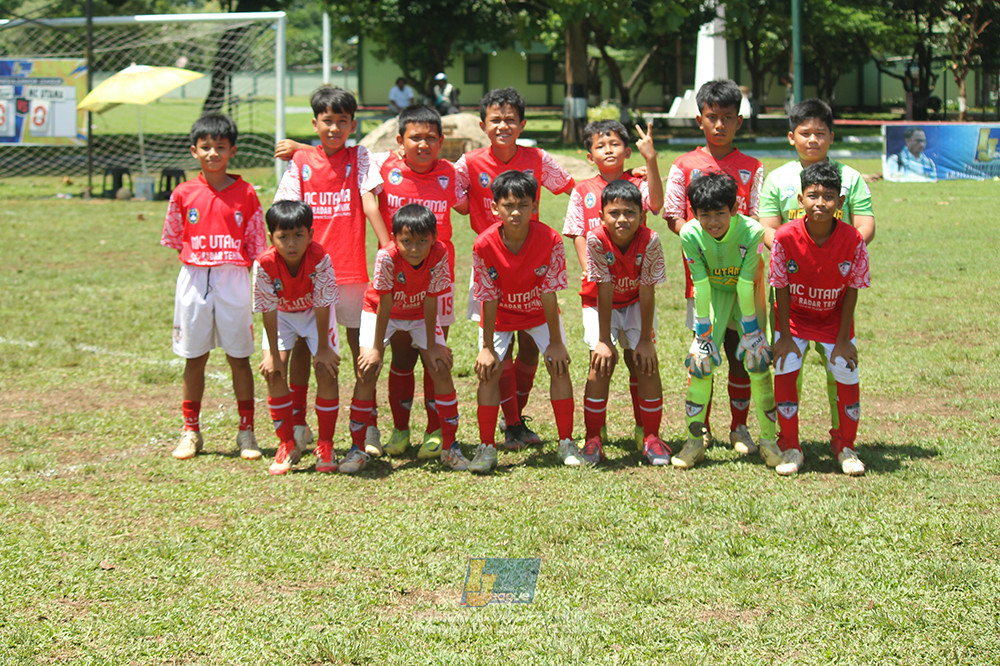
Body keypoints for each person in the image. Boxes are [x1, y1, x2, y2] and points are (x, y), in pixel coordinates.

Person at [454, 87, 575, 450]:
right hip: (491, 262)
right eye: (495, 120)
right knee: (498, 348)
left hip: (533, 261)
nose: (503, 125)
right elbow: (449, 193)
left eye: (510, 119)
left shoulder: (538, 157)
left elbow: (574, 188)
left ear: (522, 124)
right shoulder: (469, 163)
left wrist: (620, 183)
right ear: (482, 125)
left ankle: (516, 419)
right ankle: (511, 422)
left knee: (532, 348)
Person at [272, 86, 390, 460]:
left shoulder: (361, 157)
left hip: (352, 269)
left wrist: (386, 247)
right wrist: (303, 150)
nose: (335, 128)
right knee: (308, 350)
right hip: (309, 273)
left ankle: (367, 423)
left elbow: (370, 202)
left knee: (361, 348)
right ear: (315, 123)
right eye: (327, 121)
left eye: (342, 121)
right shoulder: (302, 163)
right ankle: (299, 426)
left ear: (353, 124)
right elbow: (283, 208)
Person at [759, 98, 875, 456]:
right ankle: (786, 442)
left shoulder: (851, 178)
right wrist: (796, 252)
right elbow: (768, 228)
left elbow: (865, 225)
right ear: (791, 136)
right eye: (805, 133)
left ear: (831, 136)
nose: (813, 140)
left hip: (833, 289)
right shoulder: (778, 178)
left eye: (820, 133)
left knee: (838, 366)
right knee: (786, 364)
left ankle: (842, 441)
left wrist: (836, 251)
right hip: (794, 289)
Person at [662, 79, 766, 456]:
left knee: (741, 351)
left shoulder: (753, 168)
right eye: (711, 118)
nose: (719, 125)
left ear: (739, 121)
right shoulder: (683, 165)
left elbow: (756, 220)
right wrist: (705, 247)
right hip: (702, 281)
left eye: (727, 118)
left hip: (744, 281)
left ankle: (739, 428)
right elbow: (674, 216)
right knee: (703, 352)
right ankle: (700, 428)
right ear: (699, 120)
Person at [160, 113, 266, 462]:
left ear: (232, 150)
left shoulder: (247, 193)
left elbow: (255, 246)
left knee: (239, 358)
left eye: (220, 147)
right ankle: (191, 431)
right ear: (194, 151)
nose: (212, 153)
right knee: (195, 357)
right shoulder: (182, 193)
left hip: (233, 277)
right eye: (205, 147)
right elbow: (177, 240)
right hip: (194, 277)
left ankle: (246, 431)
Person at [369, 104, 468, 460]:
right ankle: (400, 429)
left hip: (436, 280)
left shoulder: (452, 174)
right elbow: (342, 156)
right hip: (395, 278)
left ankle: (434, 429)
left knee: (434, 356)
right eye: (415, 138)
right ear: (400, 140)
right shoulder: (382, 167)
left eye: (430, 138)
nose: (423, 144)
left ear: (442, 141)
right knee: (401, 356)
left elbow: (476, 201)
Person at [563, 119, 662, 451]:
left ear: (627, 149)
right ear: (590, 155)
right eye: (600, 145)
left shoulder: (637, 182)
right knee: (600, 361)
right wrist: (590, 270)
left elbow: (658, 205)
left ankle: (645, 430)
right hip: (599, 288)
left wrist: (650, 160)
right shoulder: (582, 190)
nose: (608, 150)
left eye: (615, 144)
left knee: (641, 360)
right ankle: (595, 432)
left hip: (634, 290)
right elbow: (578, 233)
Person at [470, 170, 576, 473]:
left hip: (538, 313)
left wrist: (556, 342)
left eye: (524, 205)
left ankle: (566, 443)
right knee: (487, 371)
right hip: (501, 314)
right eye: (508, 205)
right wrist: (487, 347)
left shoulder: (551, 239)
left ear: (535, 206)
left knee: (559, 365)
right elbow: (488, 297)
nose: (516, 212)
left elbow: (549, 293)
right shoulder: (483, 244)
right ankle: (486, 448)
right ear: (494, 208)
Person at [769, 162, 871, 476]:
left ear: (841, 202)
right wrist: (784, 336)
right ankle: (790, 447)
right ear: (801, 200)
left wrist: (843, 340)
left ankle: (845, 446)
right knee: (785, 367)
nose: (820, 203)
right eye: (813, 196)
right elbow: (780, 289)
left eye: (828, 196)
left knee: (846, 371)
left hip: (834, 323)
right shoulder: (784, 237)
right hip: (794, 320)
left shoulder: (853, 239)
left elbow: (853, 290)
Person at [350, 203, 469, 472]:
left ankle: (450, 447)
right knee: (367, 369)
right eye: (406, 242)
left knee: (439, 367)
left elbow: (430, 301)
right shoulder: (387, 256)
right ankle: (357, 449)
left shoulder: (439, 254)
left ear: (434, 238)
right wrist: (376, 349)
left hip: (418, 312)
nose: (414, 249)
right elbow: (385, 303)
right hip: (381, 312)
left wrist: (432, 346)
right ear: (394, 239)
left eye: (421, 241)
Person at [673, 172, 778, 470]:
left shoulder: (752, 231)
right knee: (700, 363)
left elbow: (746, 283)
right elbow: (700, 281)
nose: (713, 222)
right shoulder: (690, 234)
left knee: (757, 363)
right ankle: (695, 441)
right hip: (714, 294)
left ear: (734, 209)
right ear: (695, 213)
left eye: (721, 213)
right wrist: (703, 333)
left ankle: (768, 441)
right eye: (705, 214)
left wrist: (752, 330)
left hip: (748, 292)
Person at [581, 180, 669, 466]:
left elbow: (647, 289)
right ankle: (593, 437)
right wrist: (604, 341)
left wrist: (645, 339)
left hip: (635, 302)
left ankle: (651, 436)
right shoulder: (595, 239)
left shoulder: (651, 239)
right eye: (614, 212)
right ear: (601, 216)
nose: (622, 219)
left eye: (630, 212)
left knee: (646, 363)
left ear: (642, 216)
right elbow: (603, 289)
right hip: (600, 304)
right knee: (600, 364)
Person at [252, 201, 341, 475]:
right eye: (283, 237)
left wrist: (324, 349)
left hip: (316, 314)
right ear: (271, 238)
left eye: (298, 235)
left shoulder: (320, 258)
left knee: (326, 370)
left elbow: (324, 303)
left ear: (311, 235)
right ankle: (287, 443)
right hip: (283, 316)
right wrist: (271, 355)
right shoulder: (264, 264)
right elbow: (267, 309)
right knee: (274, 372)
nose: (292, 244)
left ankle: (326, 444)